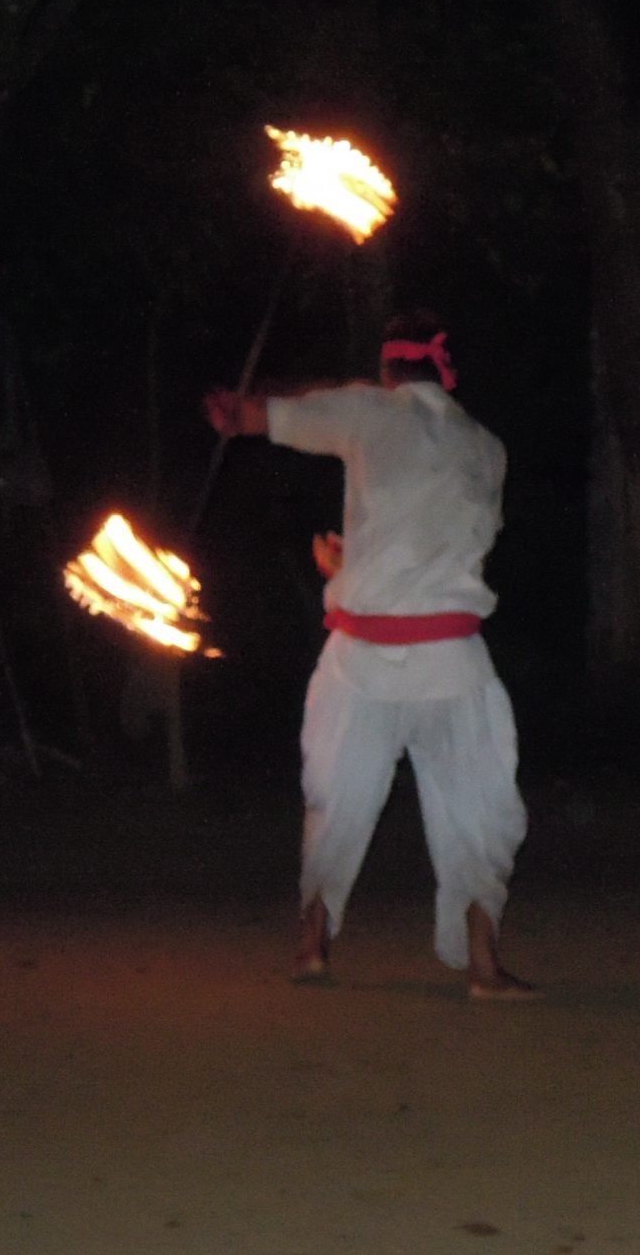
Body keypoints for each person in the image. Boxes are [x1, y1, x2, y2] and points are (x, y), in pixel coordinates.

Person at [202, 312, 535, 1000]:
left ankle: (312, 946)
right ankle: (483, 965)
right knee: (480, 815)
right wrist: (356, 564)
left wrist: (242, 411)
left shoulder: (367, 412)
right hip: (450, 659)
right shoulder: (488, 448)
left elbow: (269, 417)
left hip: (367, 660)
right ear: (445, 373)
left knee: (336, 804)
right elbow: (439, 547)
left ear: (387, 372)